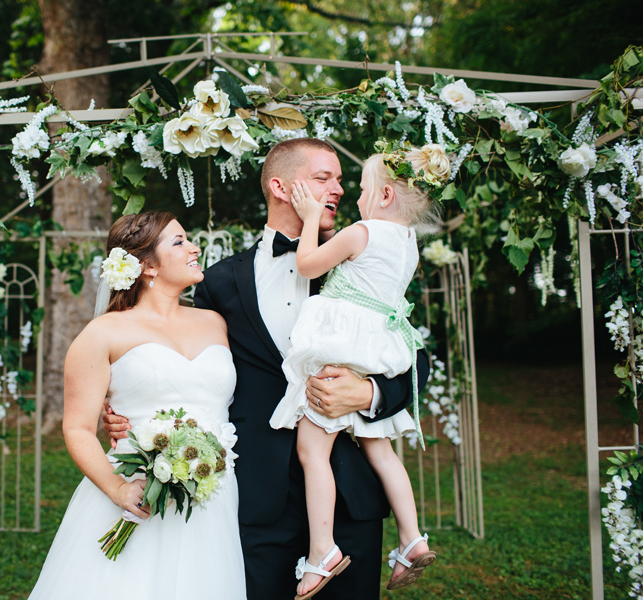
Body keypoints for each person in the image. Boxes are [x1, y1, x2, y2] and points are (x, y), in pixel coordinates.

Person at [106, 138, 430, 600]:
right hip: (253, 494)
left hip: (350, 494)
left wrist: (370, 394)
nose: (338, 188)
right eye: (324, 178)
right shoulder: (218, 281)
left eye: (341, 179)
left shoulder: (361, 259)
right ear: (281, 186)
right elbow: (185, 362)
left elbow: (413, 354)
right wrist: (126, 414)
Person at [27, 211, 246, 600]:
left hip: (212, 494)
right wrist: (117, 489)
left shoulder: (216, 322)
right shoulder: (103, 333)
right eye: (179, 242)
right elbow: (76, 427)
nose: (194, 247)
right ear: (146, 265)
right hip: (138, 487)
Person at [269, 143, 449, 597]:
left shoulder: (362, 230)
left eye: (363, 188)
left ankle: (323, 549)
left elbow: (308, 263)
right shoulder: (407, 242)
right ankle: (412, 537)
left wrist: (310, 218)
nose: (354, 196)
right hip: (377, 349)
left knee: (313, 451)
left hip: (340, 347)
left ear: (385, 195)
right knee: (382, 451)